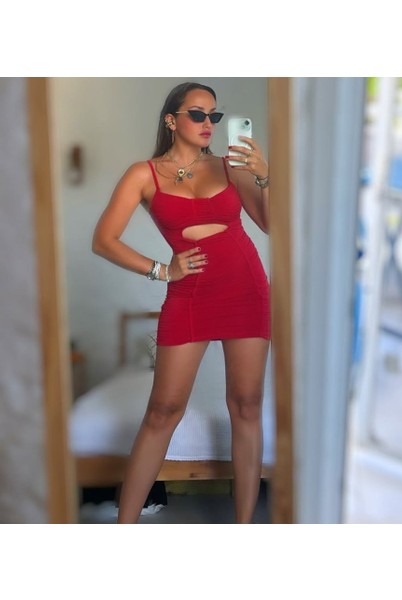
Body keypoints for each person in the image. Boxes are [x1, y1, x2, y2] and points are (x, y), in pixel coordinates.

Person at [92, 81, 270, 524]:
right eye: (197, 114)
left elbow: (270, 224)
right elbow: (104, 240)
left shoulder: (231, 166)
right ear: (172, 120)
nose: (208, 123)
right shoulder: (143, 174)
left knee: (247, 405)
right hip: (190, 296)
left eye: (214, 115)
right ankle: (124, 526)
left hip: (246, 290)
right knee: (162, 411)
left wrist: (264, 176)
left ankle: (246, 529)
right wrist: (161, 270)